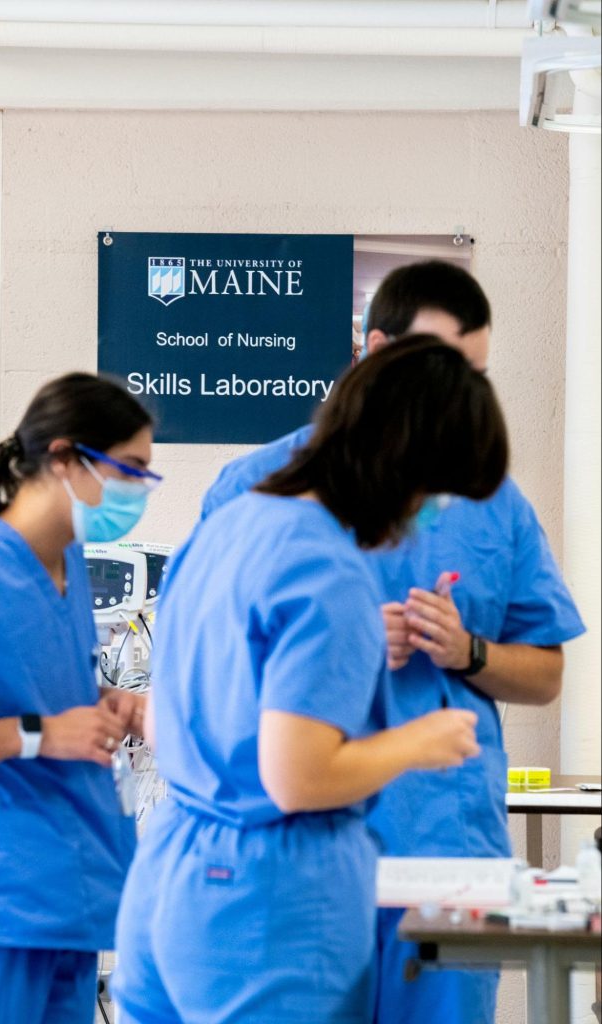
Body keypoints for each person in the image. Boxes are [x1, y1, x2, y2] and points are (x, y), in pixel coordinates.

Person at [198, 260, 585, 1024]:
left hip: (439, 840)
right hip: (292, 847)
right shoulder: (258, 491)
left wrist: (468, 652)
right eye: (442, 370)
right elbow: (204, 672)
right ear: (375, 351)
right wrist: (335, 642)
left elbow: (545, 675)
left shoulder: (489, 497)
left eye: (475, 375)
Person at [112, 336, 509, 1024]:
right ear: (403, 456)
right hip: (266, 910)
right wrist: (421, 741)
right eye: (438, 489)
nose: (434, 512)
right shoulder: (324, 568)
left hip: (170, 883)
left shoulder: (227, 527)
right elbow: (296, 776)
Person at [0, 372, 156, 1024]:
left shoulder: (69, 566)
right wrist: (39, 734)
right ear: (63, 458)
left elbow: (39, 684)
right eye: (129, 469)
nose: (138, 489)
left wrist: (112, 702)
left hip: (69, 901)